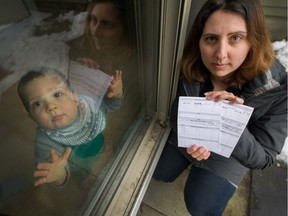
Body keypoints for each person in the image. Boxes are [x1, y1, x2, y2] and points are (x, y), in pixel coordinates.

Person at [153, 0, 287, 215]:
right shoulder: (189, 64)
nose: (220, 54)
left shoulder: (278, 89)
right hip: (189, 139)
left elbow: (265, 157)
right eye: (211, 39)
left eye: (236, 37)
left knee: (201, 205)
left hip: (235, 151)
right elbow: (172, 107)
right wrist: (194, 131)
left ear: (254, 40)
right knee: (158, 171)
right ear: (199, 40)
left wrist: (230, 125)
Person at [17, 67, 123, 187]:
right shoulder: (45, 140)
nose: (51, 106)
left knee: (103, 149)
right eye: (37, 103)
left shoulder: (88, 107)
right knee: (86, 175)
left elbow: (111, 105)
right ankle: (86, 177)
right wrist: (59, 176)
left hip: (98, 144)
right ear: (31, 117)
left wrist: (116, 93)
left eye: (57, 94)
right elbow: (52, 167)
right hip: (80, 165)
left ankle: (102, 150)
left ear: (75, 97)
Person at [67, 0, 140, 149]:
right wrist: (76, 72)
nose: (95, 31)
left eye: (106, 24)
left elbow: (126, 114)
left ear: (125, 30)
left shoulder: (137, 67)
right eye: (93, 20)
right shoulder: (77, 49)